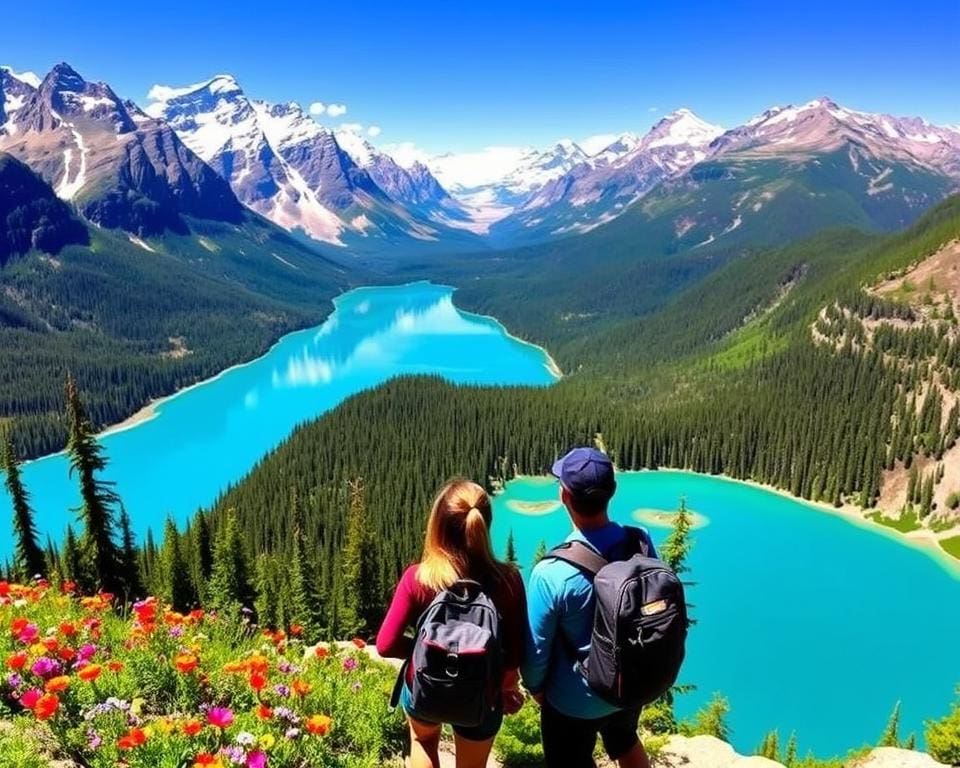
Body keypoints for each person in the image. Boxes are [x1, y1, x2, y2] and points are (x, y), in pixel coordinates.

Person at [376, 479, 527, 768]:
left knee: (422, 742)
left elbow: (385, 644)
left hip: (425, 689)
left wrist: (425, 651)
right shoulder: (508, 581)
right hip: (483, 693)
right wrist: (508, 686)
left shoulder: (418, 578)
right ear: (485, 522)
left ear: (439, 526)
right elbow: (516, 652)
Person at [522, 447, 657, 768]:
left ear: (563, 495)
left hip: (573, 701)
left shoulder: (551, 572)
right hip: (628, 686)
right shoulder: (641, 541)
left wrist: (537, 690)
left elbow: (536, 652)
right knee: (625, 739)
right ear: (611, 492)